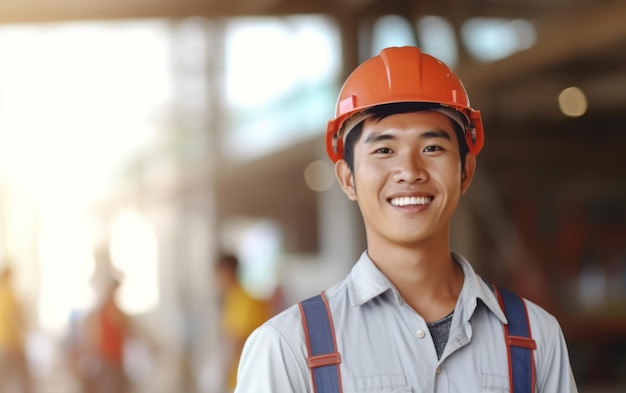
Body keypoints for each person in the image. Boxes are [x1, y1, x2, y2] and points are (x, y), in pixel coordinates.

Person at [234, 46, 578, 392]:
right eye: (384, 150)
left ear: (466, 171)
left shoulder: (536, 339)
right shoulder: (288, 349)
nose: (409, 172)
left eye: (432, 148)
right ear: (348, 178)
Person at [215, 253, 273, 392]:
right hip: (242, 375)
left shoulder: (243, 300)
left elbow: (238, 340)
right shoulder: (233, 299)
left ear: (226, 272)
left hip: (246, 375)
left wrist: (220, 372)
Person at [0, 265, 33, 393]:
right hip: (13, 343)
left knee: (2, 379)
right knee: (24, 379)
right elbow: (21, 320)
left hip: (2, 344)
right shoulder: (11, 295)